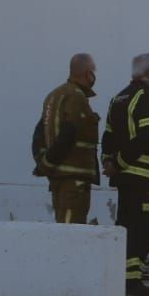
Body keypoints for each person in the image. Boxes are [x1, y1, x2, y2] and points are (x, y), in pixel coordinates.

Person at [103, 53, 149, 296]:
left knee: (127, 227)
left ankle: (127, 280)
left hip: (125, 179)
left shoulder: (118, 98)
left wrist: (110, 162)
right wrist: (120, 162)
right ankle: (132, 284)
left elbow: (107, 136)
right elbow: (147, 137)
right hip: (145, 178)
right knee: (143, 231)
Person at [39, 54, 101, 224]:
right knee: (70, 229)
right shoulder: (77, 97)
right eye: (94, 72)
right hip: (74, 179)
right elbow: (69, 133)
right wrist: (48, 163)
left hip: (58, 178)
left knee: (62, 224)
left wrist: (43, 164)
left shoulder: (53, 96)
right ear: (88, 73)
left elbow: (38, 135)